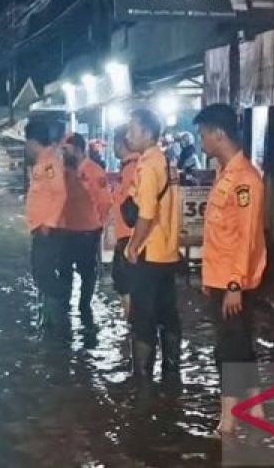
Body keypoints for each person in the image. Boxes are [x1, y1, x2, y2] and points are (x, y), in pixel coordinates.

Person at [194, 103, 268, 436]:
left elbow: (248, 235)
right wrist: (211, 279)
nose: (201, 142)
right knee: (238, 343)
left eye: (203, 134)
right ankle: (257, 409)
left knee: (228, 348)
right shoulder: (225, 174)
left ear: (218, 134)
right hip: (221, 277)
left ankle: (229, 420)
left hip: (233, 281)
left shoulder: (245, 180)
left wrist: (235, 284)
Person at [124, 108, 182, 383]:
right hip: (168, 252)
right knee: (168, 314)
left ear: (147, 133)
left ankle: (142, 379)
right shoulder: (166, 162)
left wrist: (133, 246)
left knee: (143, 317)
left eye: (132, 130)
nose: (127, 135)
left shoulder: (147, 166)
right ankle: (172, 372)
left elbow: (146, 213)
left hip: (150, 251)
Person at [24, 119, 71, 337]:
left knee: (44, 274)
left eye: (27, 142)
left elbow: (60, 194)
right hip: (40, 228)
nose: (26, 147)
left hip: (48, 230)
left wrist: (48, 224)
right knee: (40, 273)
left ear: (34, 141)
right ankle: (50, 319)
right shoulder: (40, 161)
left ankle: (57, 323)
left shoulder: (50, 161)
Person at [59, 134, 112, 318]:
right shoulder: (63, 172)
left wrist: (97, 225)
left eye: (66, 149)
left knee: (87, 272)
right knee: (64, 270)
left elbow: (105, 203)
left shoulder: (94, 171)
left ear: (78, 150)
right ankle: (64, 307)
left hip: (88, 232)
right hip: (66, 230)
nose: (63, 153)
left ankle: (84, 307)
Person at [110, 124, 140, 320]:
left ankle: (134, 329)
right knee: (123, 283)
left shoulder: (133, 169)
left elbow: (135, 208)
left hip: (131, 240)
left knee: (128, 286)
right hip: (127, 238)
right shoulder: (129, 168)